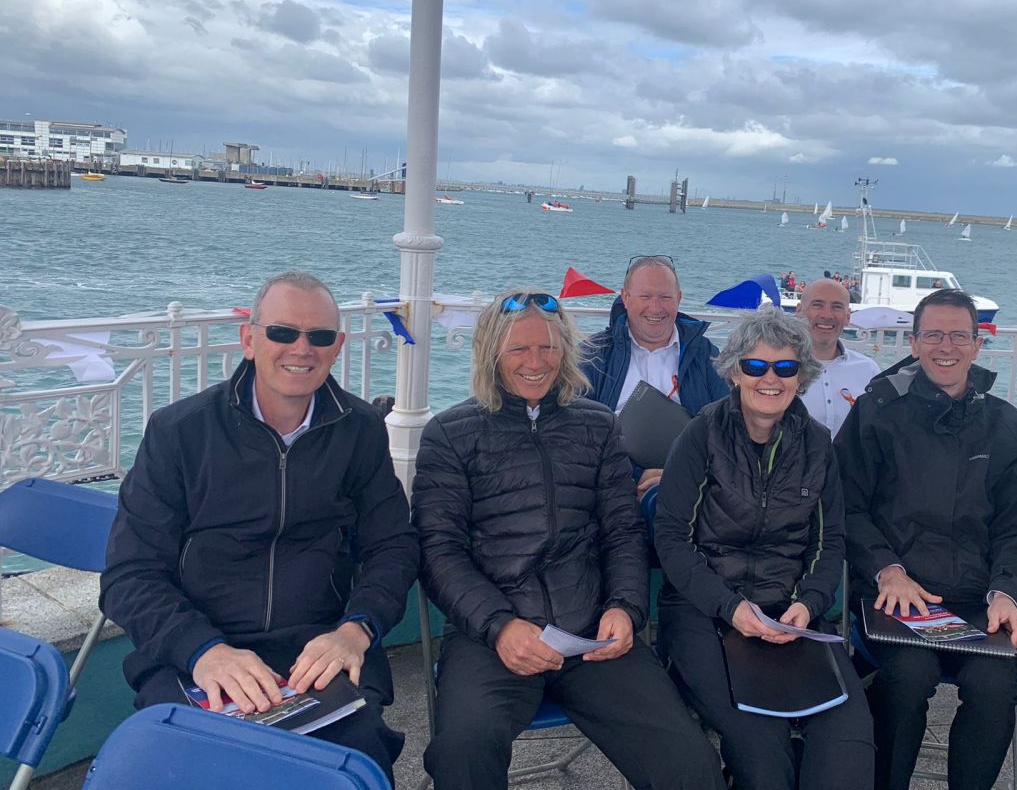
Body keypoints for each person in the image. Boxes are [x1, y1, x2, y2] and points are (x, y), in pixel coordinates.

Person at [100, 271, 418, 783]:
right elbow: (129, 575)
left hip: (319, 650)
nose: (301, 348)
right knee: (183, 767)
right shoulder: (179, 432)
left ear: (337, 347)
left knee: (353, 766)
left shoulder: (360, 430)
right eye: (282, 332)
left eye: (318, 337)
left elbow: (393, 548)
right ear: (250, 339)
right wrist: (203, 650)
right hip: (199, 651)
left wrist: (357, 628)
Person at [413, 289, 725, 790]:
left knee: (690, 763)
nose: (536, 363)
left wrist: (624, 607)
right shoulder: (451, 434)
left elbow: (621, 531)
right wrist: (499, 626)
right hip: (492, 637)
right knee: (461, 754)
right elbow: (438, 550)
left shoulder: (596, 425)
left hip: (590, 632)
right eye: (519, 349)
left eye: (549, 348)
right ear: (491, 352)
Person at [836, 288, 1017, 790]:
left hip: (978, 600)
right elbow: (845, 506)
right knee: (906, 679)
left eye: (958, 335)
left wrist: (1009, 593)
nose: (945, 346)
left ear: (978, 345)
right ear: (913, 342)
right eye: (933, 334)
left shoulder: (1008, 426)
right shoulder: (877, 413)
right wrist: (887, 568)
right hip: (896, 597)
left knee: (996, 687)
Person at [655, 306, 875, 790]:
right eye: (755, 366)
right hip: (705, 612)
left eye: (785, 367)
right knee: (760, 747)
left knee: (848, 743)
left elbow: (827, 540)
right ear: (735, 371)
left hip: (788, 611)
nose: (769, 378)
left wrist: (807, 604)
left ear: (802, 374)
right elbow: (671, 539)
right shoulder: (701, 436)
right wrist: (729, 607)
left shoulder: (817, 445)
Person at [581, 255, 729, 495]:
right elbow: (575, 436)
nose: (656, 307)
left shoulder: (705, 356)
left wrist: (679, 473)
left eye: (665, 297)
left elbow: (728, 429)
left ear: (679, 299)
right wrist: (636, 475)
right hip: (612, 485)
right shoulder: (594, 355)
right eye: (645, 296)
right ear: (625, 298)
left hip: (692, 484)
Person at [797, 279, 880, 438]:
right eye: (817, 305)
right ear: (799, 311)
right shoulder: (782, 369)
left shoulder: (868, 370)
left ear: (848, 316)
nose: (827, 315)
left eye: (836, 307)